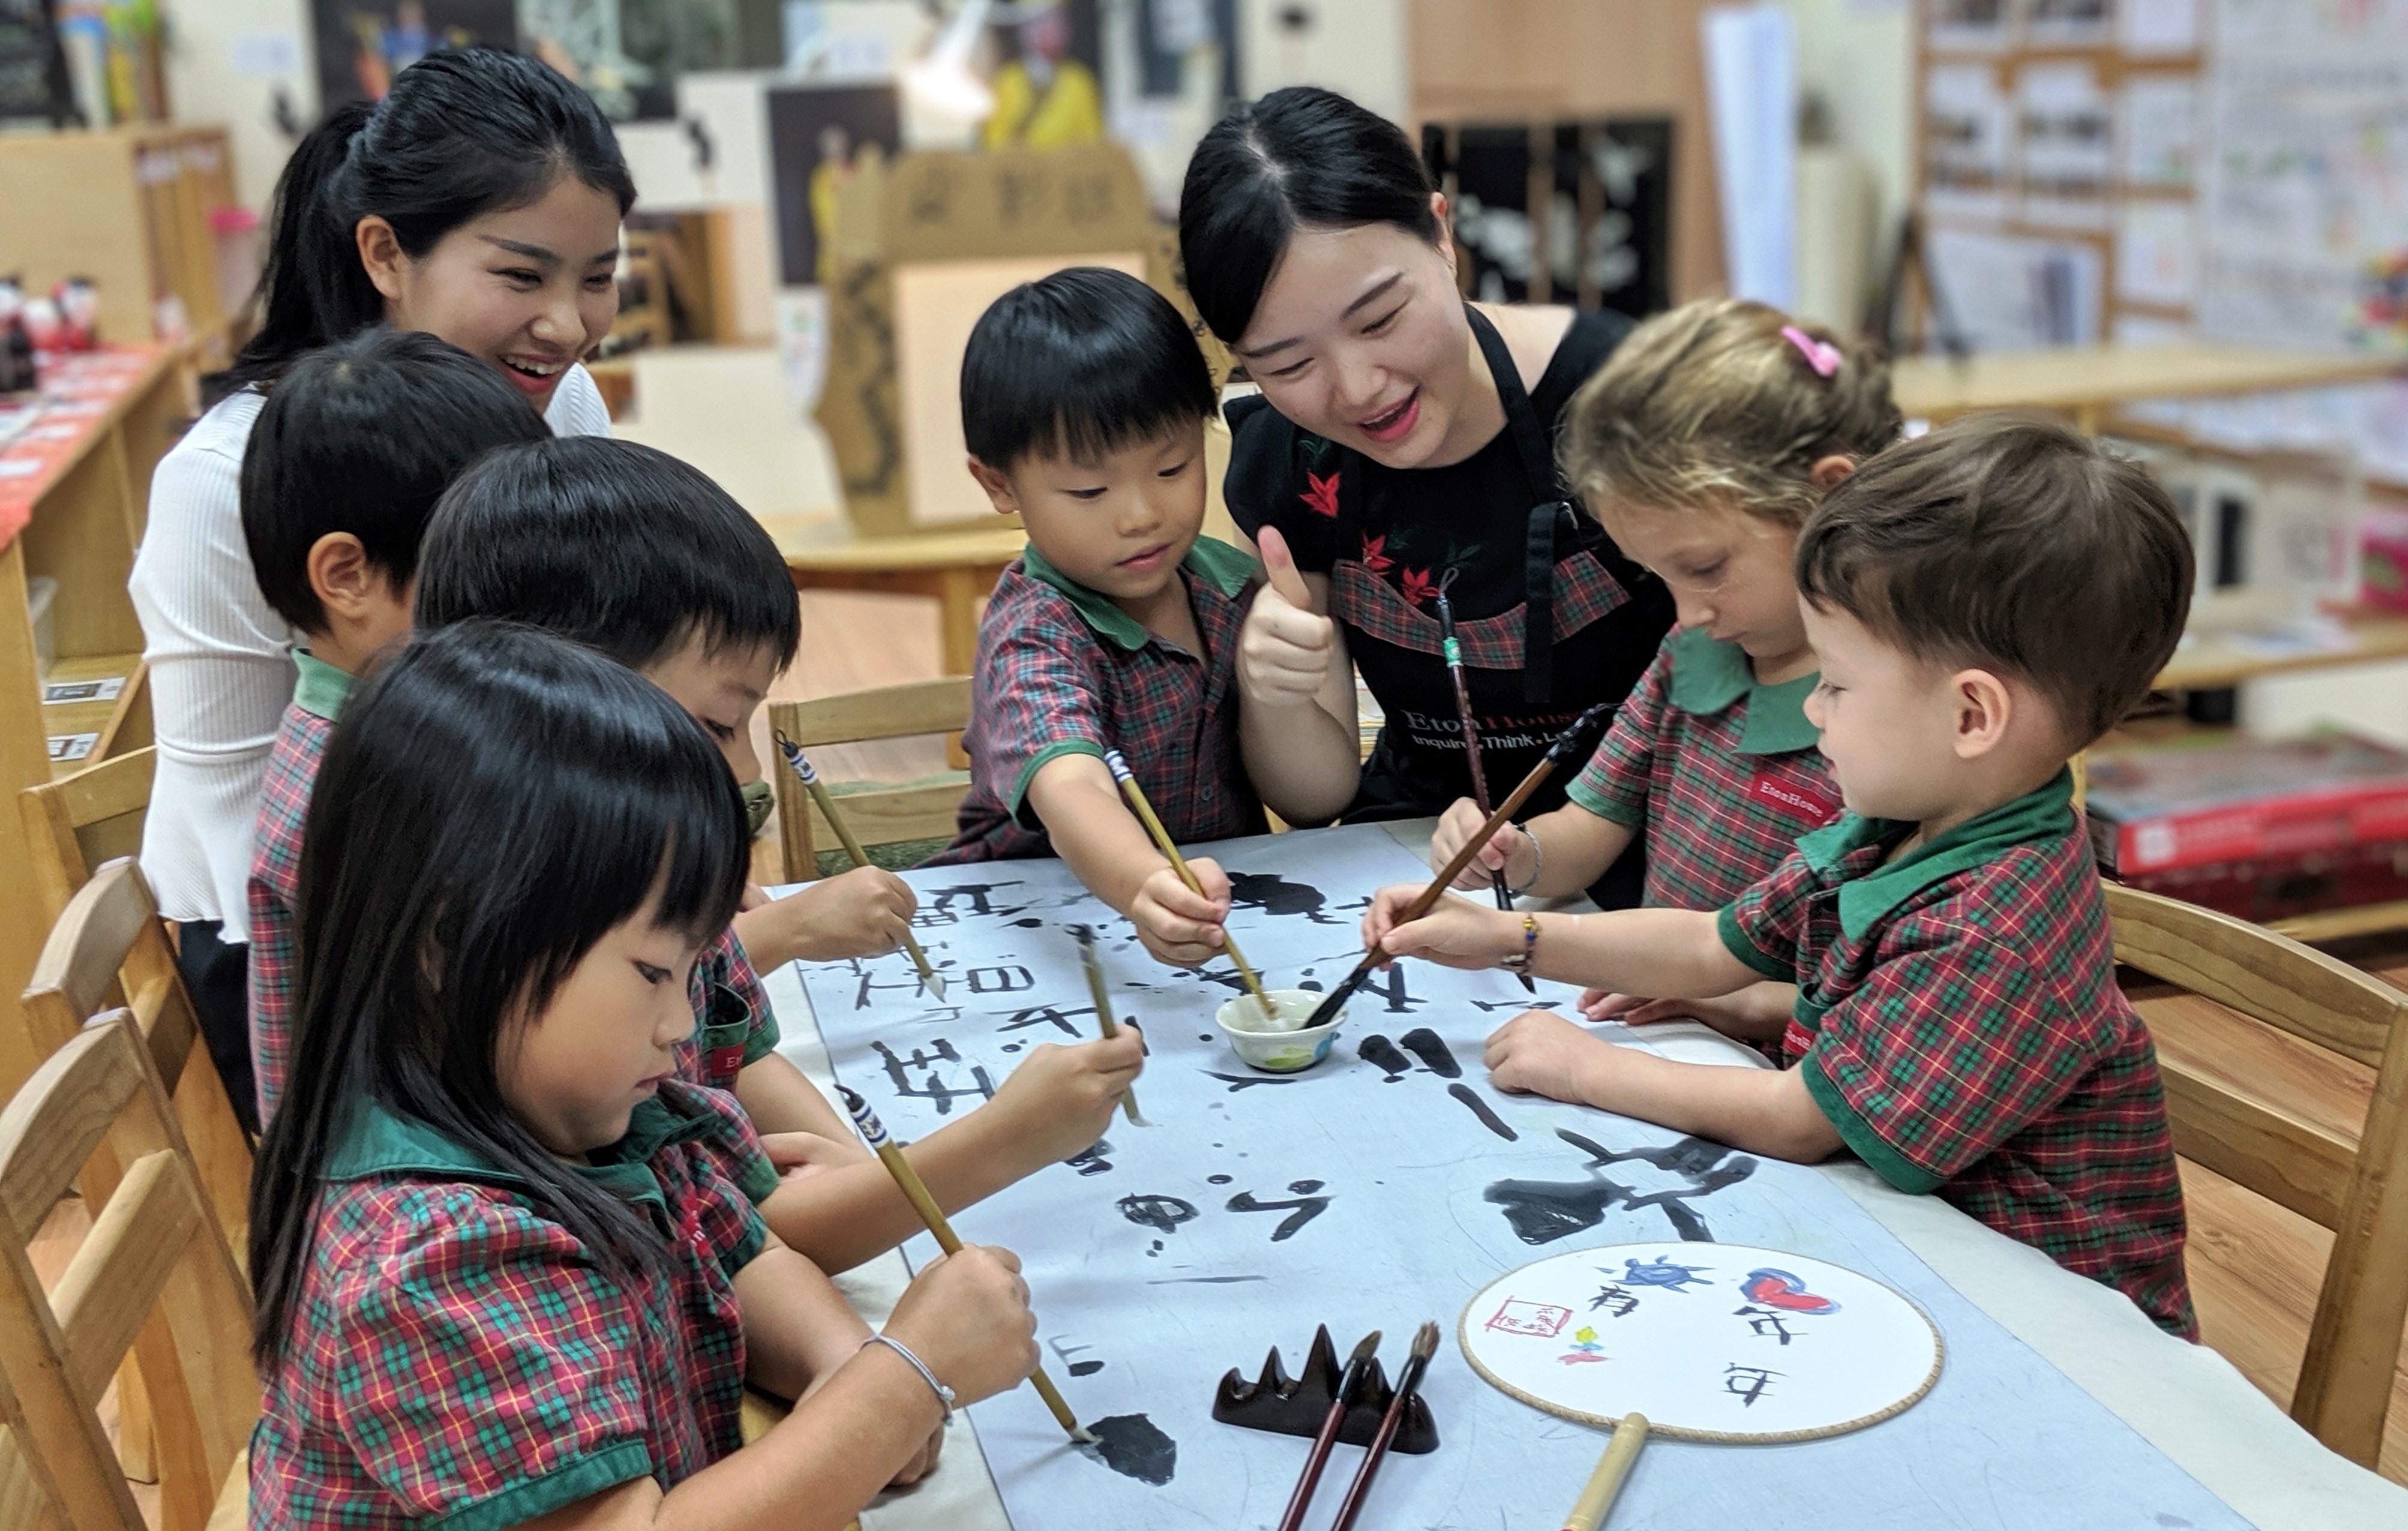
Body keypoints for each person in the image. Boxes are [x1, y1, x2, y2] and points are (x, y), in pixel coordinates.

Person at [1363, 417, 2197, 1338]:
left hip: (2053, 1318)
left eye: (1836, 684)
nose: (1811, 707)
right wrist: (1507, 938)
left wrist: (1587, 1069)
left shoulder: (1997, 923)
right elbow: (1711, 940)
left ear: (1971, 714)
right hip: (1911, 1247)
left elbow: (1799, 1121)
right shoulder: (1895, 825)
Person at [248, 621, 1039, 1526]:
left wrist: (843, 1365)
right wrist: (908, 1380)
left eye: (698, 967)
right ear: (450, 941)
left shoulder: (575, 1097)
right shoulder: (429, 1258)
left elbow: (736, 1250)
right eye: (654, 974)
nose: (681, 1025)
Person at [415, 435, 1146, 1273]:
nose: (746, 772)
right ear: (557, 707)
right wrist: (1002, 1140)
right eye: (716, 726)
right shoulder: (545, 1012)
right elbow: (756, 1240)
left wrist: (866, 1172)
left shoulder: (664, 902)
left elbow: (745, 1069)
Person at [131, 47, 628, 1117]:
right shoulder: (226, 478)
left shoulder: (562, 400)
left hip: (516, 876)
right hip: (312, 947)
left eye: (596, 276)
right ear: (386, 254)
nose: (568, 324)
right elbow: (231, 828)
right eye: (520, 275)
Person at [1181, 86, 1677, 906]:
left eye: (1378, 319)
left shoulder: (1624, 396)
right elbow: (1316, 796)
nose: (1357, 390)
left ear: (1441, 233)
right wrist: (1275, 688)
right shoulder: (1283, 460)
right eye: (1288, 365)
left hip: (1650, 862)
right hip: (1414, 860)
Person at [1428, 299, 1898, 1038]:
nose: (1685, 613)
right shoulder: (1692, 654)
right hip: (1674, 1033)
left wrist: (1729, 1004)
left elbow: (1878, 1005)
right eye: (1657, 578)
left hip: (1792, 1075)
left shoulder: (1900, 720)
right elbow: (1593, 826)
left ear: (1825, 496)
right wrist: (1515, 856)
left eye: (1705, 567)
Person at [241, 328, 551, 1130]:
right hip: (432, 1210)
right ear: (347, 578)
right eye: (485, 583)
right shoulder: (365, 788)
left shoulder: (410, 730)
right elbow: (539, 1030)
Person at [928, 267, 1266, 970]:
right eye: (1089, 488)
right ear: (998, 483)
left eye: (1173, 467)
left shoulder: (1229, 587)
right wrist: (1145, 883)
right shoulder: (1033, 628)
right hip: (1036, 924)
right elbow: (1071, 782)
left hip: (1207, 917)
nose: (1141, 514)